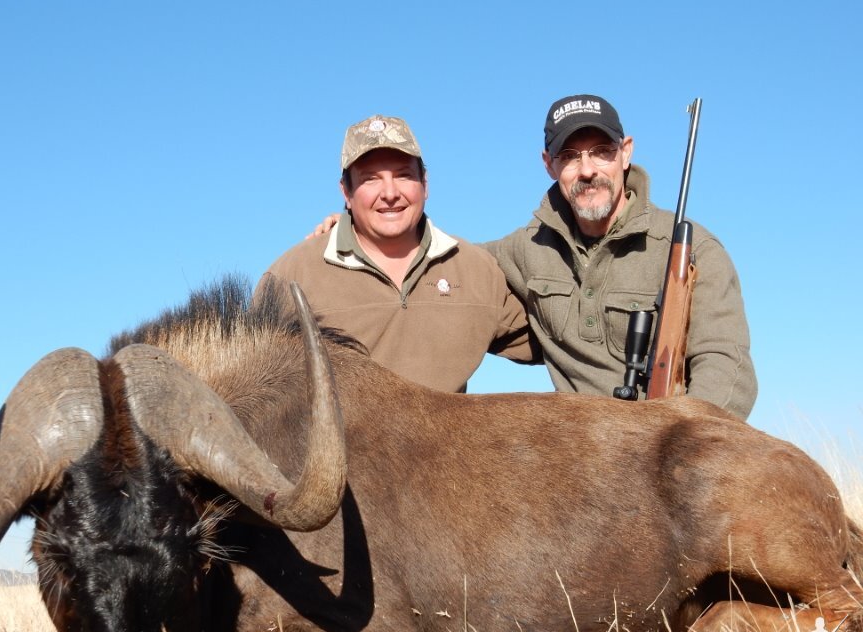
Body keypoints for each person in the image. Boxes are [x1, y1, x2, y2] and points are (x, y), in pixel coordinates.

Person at [483, 94, 757, 419]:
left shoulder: (697, 249)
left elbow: (726, 365)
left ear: (625, 152)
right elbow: (451, 264)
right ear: (549, 164)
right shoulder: (524, 248)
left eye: (602, 152)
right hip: (577, 455)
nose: (587, 171)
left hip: (667, 448)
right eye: (569, 156)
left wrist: (680, 443)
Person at [259, 113, 537, 393]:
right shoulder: (292, 275)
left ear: (424, 184)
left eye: (403, 175)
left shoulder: (476, 268)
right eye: (370, 179)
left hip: (446, 437)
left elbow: (559, 342)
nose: (390, 193)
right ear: (347, 192)